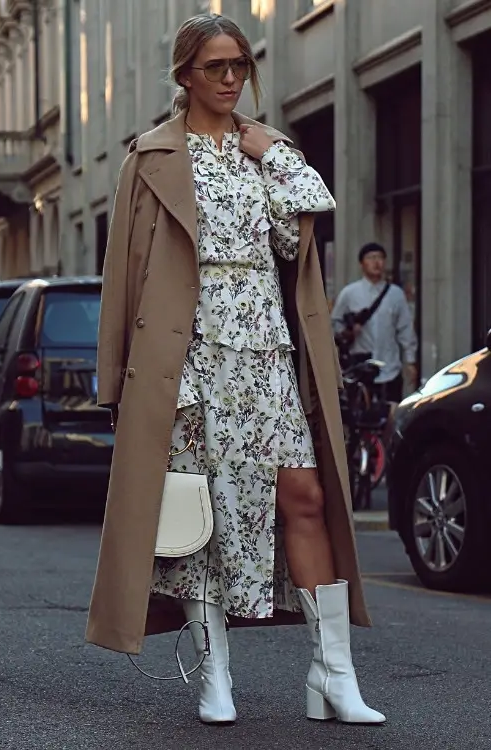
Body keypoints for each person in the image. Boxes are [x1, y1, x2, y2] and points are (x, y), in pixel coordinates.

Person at [86, 13, 385, 728]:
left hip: (268, 353)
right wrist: (115, 381)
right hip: (189, 359)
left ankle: (333, 674)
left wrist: (272, 154)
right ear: (185, 73)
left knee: (305, 497)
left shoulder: (267, 150)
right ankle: (214, 674)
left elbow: (303, 225)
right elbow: (122, 274)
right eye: (215, 66)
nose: (229, 79)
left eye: (240, 66)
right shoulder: (149, 158)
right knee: (201, 515)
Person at [332, 242, 418, 404]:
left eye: (380, 258)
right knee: (361, 418)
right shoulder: (349, 293)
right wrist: (348, 331)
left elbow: (405, 329)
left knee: (391, 414)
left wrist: (410, 361)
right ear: (362, 263)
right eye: (371, 258)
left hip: (390, 366)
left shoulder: (395, 294)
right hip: (360, 367)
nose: (376, 262)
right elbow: (335, 323)